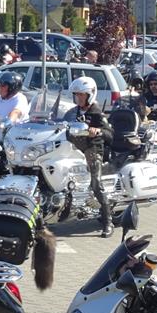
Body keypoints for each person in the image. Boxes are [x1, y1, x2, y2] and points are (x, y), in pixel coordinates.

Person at [64, 76, 114, 237]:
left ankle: (108, 222)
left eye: (81, 95)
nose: (78, 97)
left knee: (96, 183)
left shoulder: (97, 113)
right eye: (77, 94)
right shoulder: (73, 112)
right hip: (72, 150)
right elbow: (60, 123)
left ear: (90, 94)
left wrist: (98, 131)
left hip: (92, 150)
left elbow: (110, 133)